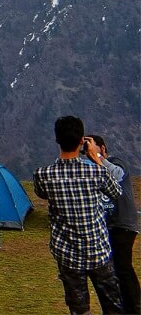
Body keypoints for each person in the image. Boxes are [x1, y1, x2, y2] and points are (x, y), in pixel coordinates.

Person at [33, 116, 124, 315]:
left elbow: (41, 193)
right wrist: (96, 158)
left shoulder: (43, 175)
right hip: (98, 250)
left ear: (57, 140)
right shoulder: (96, 173)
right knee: (113, 306)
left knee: (79, 309)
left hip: (68, 255)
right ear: (82, 140)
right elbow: (116, 192)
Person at [92, 135, 138, 315]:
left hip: (123, 223)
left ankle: (134, 307)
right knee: (112, 270)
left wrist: (98, 158)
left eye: (93, 146)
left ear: (103, 148)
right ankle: (121, 306)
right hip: (108, 224)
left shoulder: (116, 162)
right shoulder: (95, 169)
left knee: (123, 268)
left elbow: (117, 175)